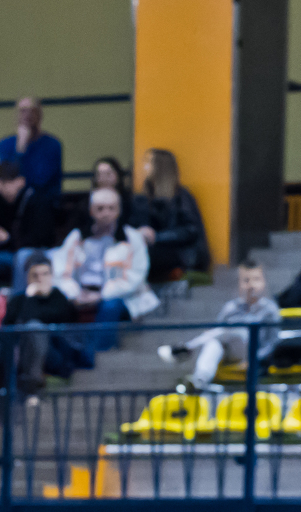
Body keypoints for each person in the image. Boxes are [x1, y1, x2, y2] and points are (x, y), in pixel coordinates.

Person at [51, 188, 158, 359]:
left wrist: (101, 295)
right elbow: (61, 273)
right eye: (100, 209)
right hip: (81, 292)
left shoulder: (132, 238)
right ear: (91, 211)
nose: (105, 213)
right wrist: (75, 293)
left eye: (111, 208)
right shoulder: (77, 237)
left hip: (120, 296)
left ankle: (97, 356)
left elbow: (135, 278)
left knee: (110, 305)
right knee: (54, 302)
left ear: (119, 210)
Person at [157, 259, 280, 392]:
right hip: (230, 352)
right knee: (213, 343)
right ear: (239, 283)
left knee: (241, 331)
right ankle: (199, 381)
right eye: (246, 280)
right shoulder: (231, 307)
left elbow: (272, 342)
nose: (251, 285)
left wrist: (255, 359)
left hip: (253, 353)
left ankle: (185, 348)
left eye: (256, 279)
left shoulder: (270, 310)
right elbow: (220, 332)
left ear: (264, 282)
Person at [0, 253, 77, 396]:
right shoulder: (18, 299)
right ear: (26, 277)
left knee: (34, 327)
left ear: (52, 275)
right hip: (16, 350)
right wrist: (29, 297)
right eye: (34, 275)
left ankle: (31, 390)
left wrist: (31, 298)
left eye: (45, 274)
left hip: (51, 354)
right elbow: (7, 327)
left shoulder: (59, 299)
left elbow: (47, 319)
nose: (40, 279)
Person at [0, 161, 57, 293]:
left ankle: (17, 301)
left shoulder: (36, 200)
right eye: (0, 182)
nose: (3, 187)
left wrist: (8, 238)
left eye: (7, 182)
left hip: (33, 254)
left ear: (20, 181)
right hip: (7, 254)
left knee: (22, 256)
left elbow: (41, 238)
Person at [129, 148, 211, 281]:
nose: (144, 167)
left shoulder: (181, 197)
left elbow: (190, 231)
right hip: (156, 252)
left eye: (148, 162)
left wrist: (157, 237)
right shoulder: (143, 198)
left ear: (160, 167)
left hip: (179, 255)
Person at [0, 96, 63, 201]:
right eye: (23, 111)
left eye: (33, 111)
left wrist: (19, 183)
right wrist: (20, 148)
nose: (27, 114)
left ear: (39, 115)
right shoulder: (4, 145)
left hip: (41, 198)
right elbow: (6, 176)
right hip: (12, 198)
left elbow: (41, 178)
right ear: (16, 115)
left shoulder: (52, 145)